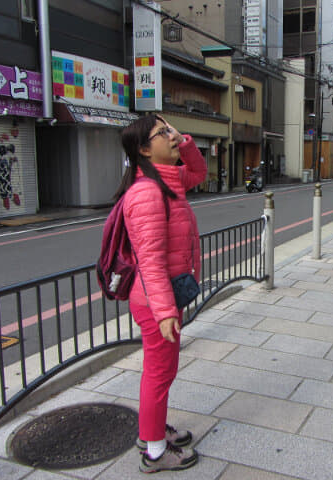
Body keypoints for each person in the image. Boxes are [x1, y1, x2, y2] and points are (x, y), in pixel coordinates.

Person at [116, 114, 207, 473]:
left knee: (162, 372)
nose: (172, 136)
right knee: (158, 373)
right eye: (162, 133)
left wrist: (184, 141)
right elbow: (150, 260)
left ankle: (152, 431)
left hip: (164, 297)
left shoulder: (170, 182)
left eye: (170, 130)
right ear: (143, 149)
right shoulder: (147, 193)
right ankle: (154, 452)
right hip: (156, 302)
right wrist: (166, 311)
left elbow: (199, 172)